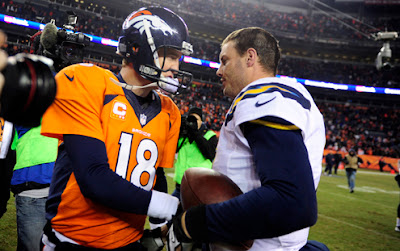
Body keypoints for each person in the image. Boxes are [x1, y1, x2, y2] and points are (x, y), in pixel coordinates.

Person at [40, 6, 193, 250]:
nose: (176, 66)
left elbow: (156, 176)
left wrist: (157, 227)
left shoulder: (170, 111)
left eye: (179, 57)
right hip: (74, 241)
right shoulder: (87, 82)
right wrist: (170, 206)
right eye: (170, 55)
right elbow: (94, 179)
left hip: (130, 241)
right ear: (137, 48)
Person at [168, 27, 328, 250]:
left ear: (250, 57)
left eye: (225, 61)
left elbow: (292, 202)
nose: (218, 71)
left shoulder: (263, 96)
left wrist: (191, 224)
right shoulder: (289, 94)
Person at [172, 106, 218, 200]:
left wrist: (195, 133)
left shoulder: (210, 135)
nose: (192, 122)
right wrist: (179, 130)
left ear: (201, 121)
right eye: (190, 119)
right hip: (180, 184)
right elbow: (173, 149)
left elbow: (209, 154)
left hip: (198, 185)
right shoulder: (184, 135)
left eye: (196, 119)